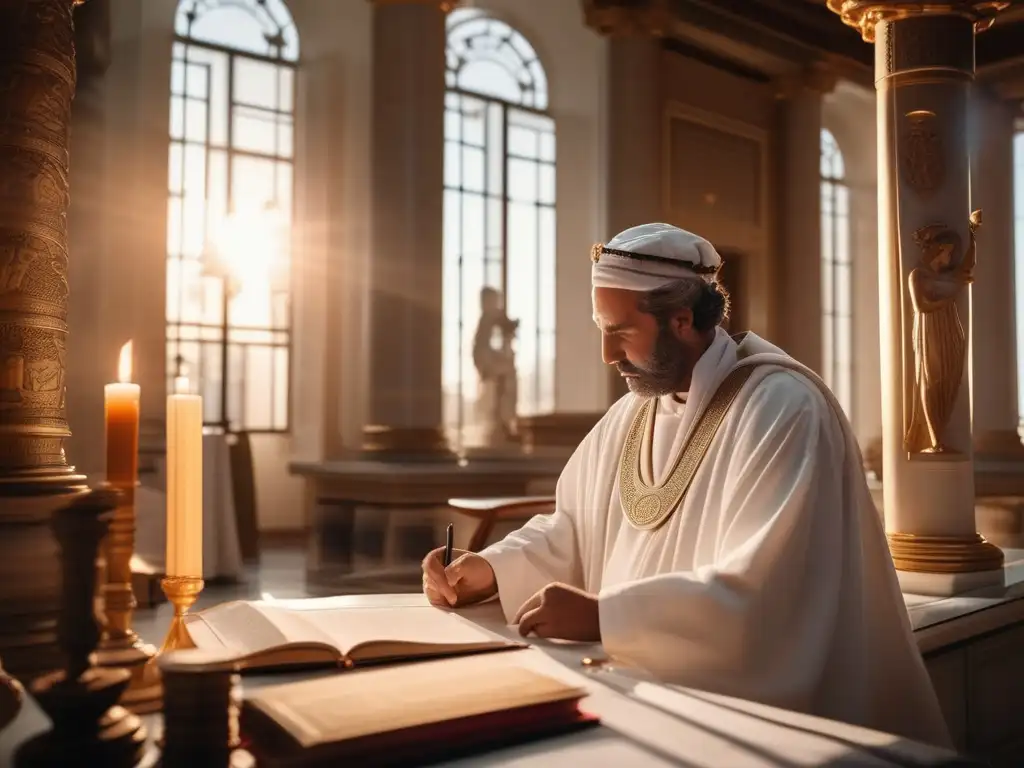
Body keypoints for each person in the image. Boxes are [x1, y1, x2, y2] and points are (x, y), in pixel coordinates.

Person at [422, 223, 951, 747]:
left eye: (620, 331)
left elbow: (768, 590)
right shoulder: (630, 415)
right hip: (635, 697)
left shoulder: (782, 409)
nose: (607, 354)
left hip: (764, 734)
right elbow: (572, 531)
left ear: (681, 320)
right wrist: (491, 571)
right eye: (601, 330)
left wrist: (610, 616)